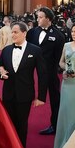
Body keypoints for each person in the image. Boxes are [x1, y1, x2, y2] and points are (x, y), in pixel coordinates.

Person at [0, 21, 47, 148]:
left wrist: (41, 97)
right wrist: (1, 72)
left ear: (24, 33)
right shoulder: (6, 50)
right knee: (8, 124)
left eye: (15, 32)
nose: (12, 35)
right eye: (11, 32)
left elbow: (42, 74)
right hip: (8, 93)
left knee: (22, 124)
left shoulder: (35, 50)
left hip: (25, 94)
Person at [27, 7, 64, 135]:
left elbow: (60, 56)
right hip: (31, 68)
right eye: (37, 17)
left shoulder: (58, 35)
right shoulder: (32, 32)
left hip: (50, 71)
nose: (38, 19)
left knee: (55, 97)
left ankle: (55, 125)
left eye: (40, 17)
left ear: (48, 19)